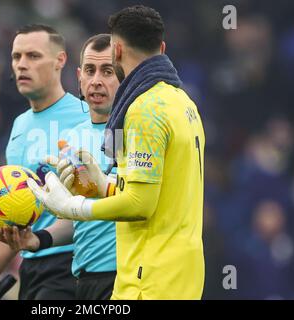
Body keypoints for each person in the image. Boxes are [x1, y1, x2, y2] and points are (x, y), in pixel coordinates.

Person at [26, 5, 205, 300]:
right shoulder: (183, 102)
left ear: (117, 50)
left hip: (148, 279)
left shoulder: (144, 109)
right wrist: (105, 186)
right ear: (161, 47)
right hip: (184, 274)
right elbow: (159, 195)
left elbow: (139, 205)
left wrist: (74, 208)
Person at [0, 34, 121, 300]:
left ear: (124, 76)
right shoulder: (73, 139)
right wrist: (38, 239)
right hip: (84, 279)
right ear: (79, 77)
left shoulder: (127, 131)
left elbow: (136, 203)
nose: (96, 80)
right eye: (90, 71)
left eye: (107, 71)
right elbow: (73, 220)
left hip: (124, 277)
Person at [0, 24, 89, 300]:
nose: (22, 65)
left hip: (73, 263)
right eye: (16, 57)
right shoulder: (19, 126)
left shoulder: (86, 117)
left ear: (60, 61)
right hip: (31, 266)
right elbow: (16, 222)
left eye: (33, 56)